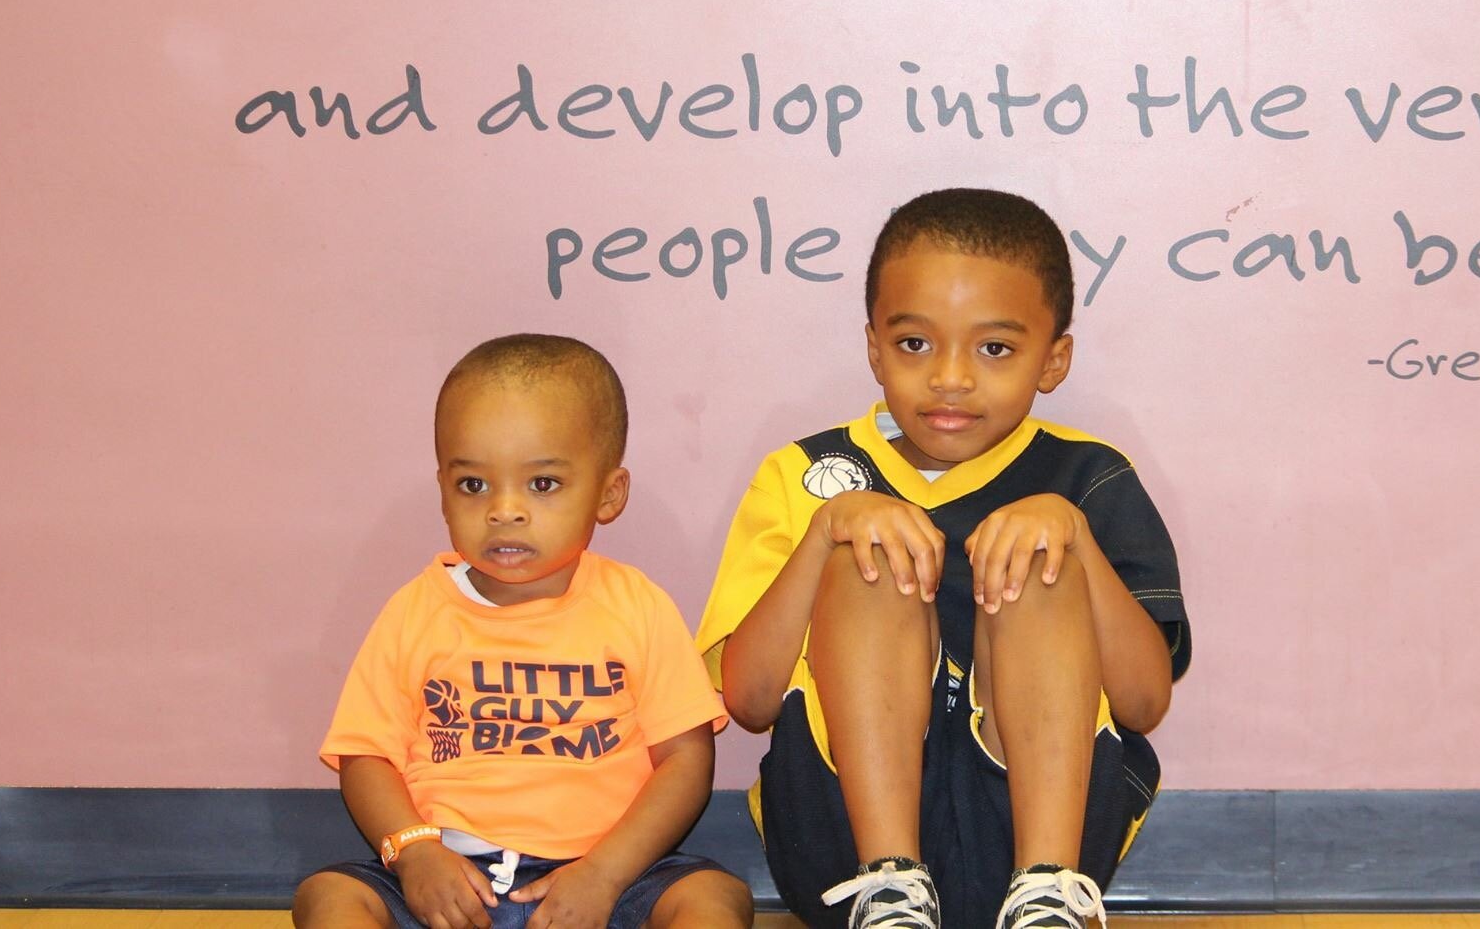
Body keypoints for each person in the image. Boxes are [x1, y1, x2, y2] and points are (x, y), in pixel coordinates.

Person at [697, 189, 1191, 929]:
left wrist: (1078, 543)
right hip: (843, 851)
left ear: (1053, 358)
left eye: (993, 347)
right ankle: (892, 887)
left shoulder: (1090, 480)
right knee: (865, 554)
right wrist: (825, 532)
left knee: (1040, 553)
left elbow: (1146, 704)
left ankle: (1047, 892)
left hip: (1040, 829)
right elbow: (749, 699)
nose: (950, 377)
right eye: (915, 343)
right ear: (873, 346)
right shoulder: (806, 473)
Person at [295, 335, 753, 929]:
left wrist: (607, 873)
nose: (502, 510)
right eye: (473, 485)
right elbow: (366, 755)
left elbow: (686, 758)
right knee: (328, 897)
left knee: (714, 899)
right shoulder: (415, 611)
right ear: (443, 490)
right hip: (446, 871)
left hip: (606, 874)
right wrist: (412, 853)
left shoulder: (636, 606)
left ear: (608, 494)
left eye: (541, 484)